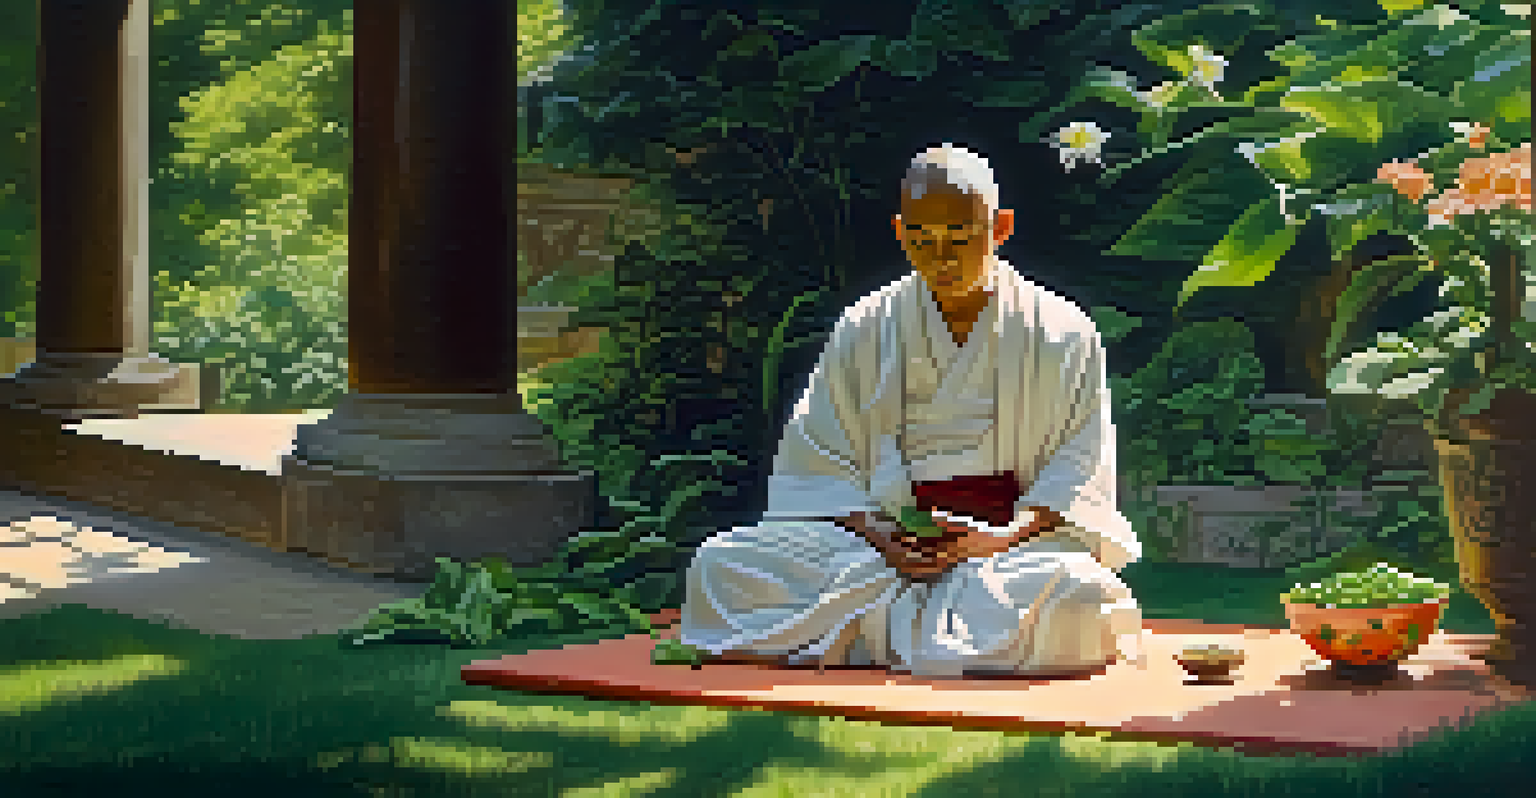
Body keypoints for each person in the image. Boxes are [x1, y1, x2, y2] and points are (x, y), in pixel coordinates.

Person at [677, 143, 1145, 678]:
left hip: (1010, 549)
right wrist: (885, 539)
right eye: (922, 241)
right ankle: (940, 637)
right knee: (720, 564)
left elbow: (1079, 466)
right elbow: (820, 459)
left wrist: (1000, 535)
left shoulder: (1062, 330)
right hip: (879, 547)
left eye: (960, 239)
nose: (942, 258)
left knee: (1080, 598)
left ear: (1000, 227)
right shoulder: (865, 325)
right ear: (900, 233)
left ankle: (861, 635)